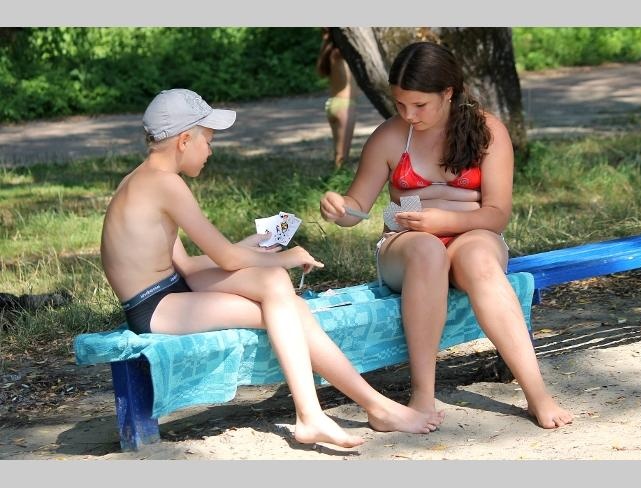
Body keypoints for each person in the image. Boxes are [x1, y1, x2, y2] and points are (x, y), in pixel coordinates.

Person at [100, 88, 442, 449]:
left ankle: (360, 408)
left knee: (286, 303)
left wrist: (255, 244)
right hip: (154, 306)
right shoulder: (167, 185)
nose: (211, 151)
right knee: (283, 295)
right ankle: (321, 414)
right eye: (208, 141)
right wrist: (284, 258)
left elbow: (186, 263)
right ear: (184, 140)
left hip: (169, 290)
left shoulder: (145, 179)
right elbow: (225, 260)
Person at [320, 42, 574, 429]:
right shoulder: (390, 136)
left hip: (473, 231)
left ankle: (538, 394)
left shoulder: (488, 131)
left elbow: (497, 214)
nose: (409, 114)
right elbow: (358, 207)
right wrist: (341, 208)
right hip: (406, 242)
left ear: (448, 93)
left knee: (479, 260)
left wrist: (444, 221)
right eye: (400, 103)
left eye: (419, 105)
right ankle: (423, 396)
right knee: (427, 251)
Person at [317, 28, 359, 169]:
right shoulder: (341, 53)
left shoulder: (330, 53)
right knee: (342, 158)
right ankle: (338, 179)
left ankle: (336, 176)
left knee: (338, 154)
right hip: (345, 107)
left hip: (333, 104)